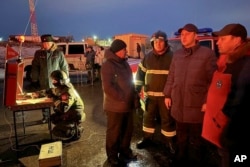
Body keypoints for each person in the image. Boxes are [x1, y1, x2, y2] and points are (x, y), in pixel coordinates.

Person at [163, 23, 218, 166]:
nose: (184, 37)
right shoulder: (177, 55)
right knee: (181, 136)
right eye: (182, 34)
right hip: (178, 103)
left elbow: (213, 81)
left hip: (196, 105)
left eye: (187, 34)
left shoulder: (207, 54)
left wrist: (207, 101)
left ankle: (196, 161)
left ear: (195, 35)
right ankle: (181, 158)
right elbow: (171, 76)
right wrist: (168, 94)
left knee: (196, 139)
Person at [202, 23, 250, 167]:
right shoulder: (229, 61)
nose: (218, 42)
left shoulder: (245, 64)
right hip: (223, 129)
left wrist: (223, 124)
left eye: (223, 39)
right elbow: (219, 86)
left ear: (237, 40)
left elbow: (238, 101)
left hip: (234, 133)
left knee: (235, 159)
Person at [134, 30, 176, 154]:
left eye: (161, 41)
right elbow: (140, 74)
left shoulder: (172, 57)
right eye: (155, 42)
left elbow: (176, 77)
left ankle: (169, 142)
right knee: (148, 118)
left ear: (165, 42)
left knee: (167, 120)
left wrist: (172, 94)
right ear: (152, 43)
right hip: (150, 96)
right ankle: (147, 139)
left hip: (166, 97)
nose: (158, 44)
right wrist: (137, 89)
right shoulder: (147, 57)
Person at [101, 39, 138, 166]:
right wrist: (122, 97)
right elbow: (108, 87)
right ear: (117, 51)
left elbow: (130, 83)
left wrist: (134, 97)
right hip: (115, 106)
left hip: (127, 104)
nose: (126, 51)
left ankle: (125, 151)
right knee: (114, 132)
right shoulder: (108, 65)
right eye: (124, 49)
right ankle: (112, 156)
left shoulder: (124, 63)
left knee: (127, 130)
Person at [33, 70, 86, 141]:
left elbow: (63, 108)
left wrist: (53, 98)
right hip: (70, 112)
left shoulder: (67, 92)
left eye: (54, 80)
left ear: (60, 81)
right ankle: (71, 127)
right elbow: (50, 91)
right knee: (53, 118)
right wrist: (38, 93)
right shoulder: (62, 88)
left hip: (75, 113)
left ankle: (74, 131)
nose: (53, 82)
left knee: (56, 131)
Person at [30, 34, 69, 123]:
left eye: (47, 42)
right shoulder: (38, 53)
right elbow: (35, 67)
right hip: (43, 81)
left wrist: (65, 79)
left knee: (57, 101)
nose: (45, 44)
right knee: (44, 100)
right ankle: (46, 117)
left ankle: (58, 116)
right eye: (44, 43)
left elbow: (64, 67)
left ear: (52, 43)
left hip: (56, 83)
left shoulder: (58, 53)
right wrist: (34, 80)